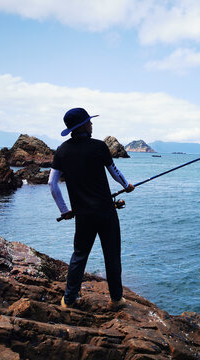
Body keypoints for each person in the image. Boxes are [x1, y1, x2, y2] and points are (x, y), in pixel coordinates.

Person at [48, 107, 134, 310]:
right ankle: (116, 299)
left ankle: (68, 300)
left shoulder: (62, 151)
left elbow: (52, 184)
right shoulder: (98, 147)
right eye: (90, 121)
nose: (92, 124)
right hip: (106, 212)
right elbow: (115, 171)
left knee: (79, 255)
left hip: (83, 215)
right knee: (111, 256)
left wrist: (64, 210)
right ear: (84, 125)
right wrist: (127, 186)